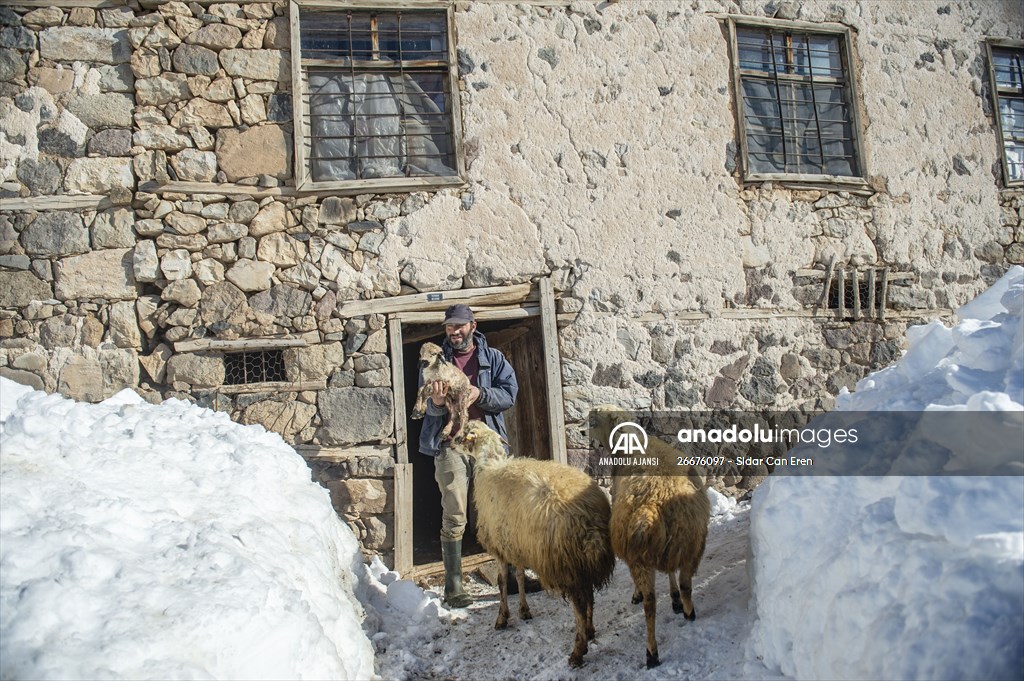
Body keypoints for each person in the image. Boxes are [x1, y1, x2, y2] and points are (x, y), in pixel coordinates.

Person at [418, 304, 518, 608]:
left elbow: (510, 394)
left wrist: (481, 395)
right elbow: (425, 408)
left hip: (486, 440)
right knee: (456, 510)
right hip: (451, 442)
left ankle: (510, 576)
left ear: (473, 326)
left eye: (460, 326)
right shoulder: (435, 361)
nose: (455, 331)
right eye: (450, 326)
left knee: (498, 507)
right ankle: (454, 585)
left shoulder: (494, 359)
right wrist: (436, 402)